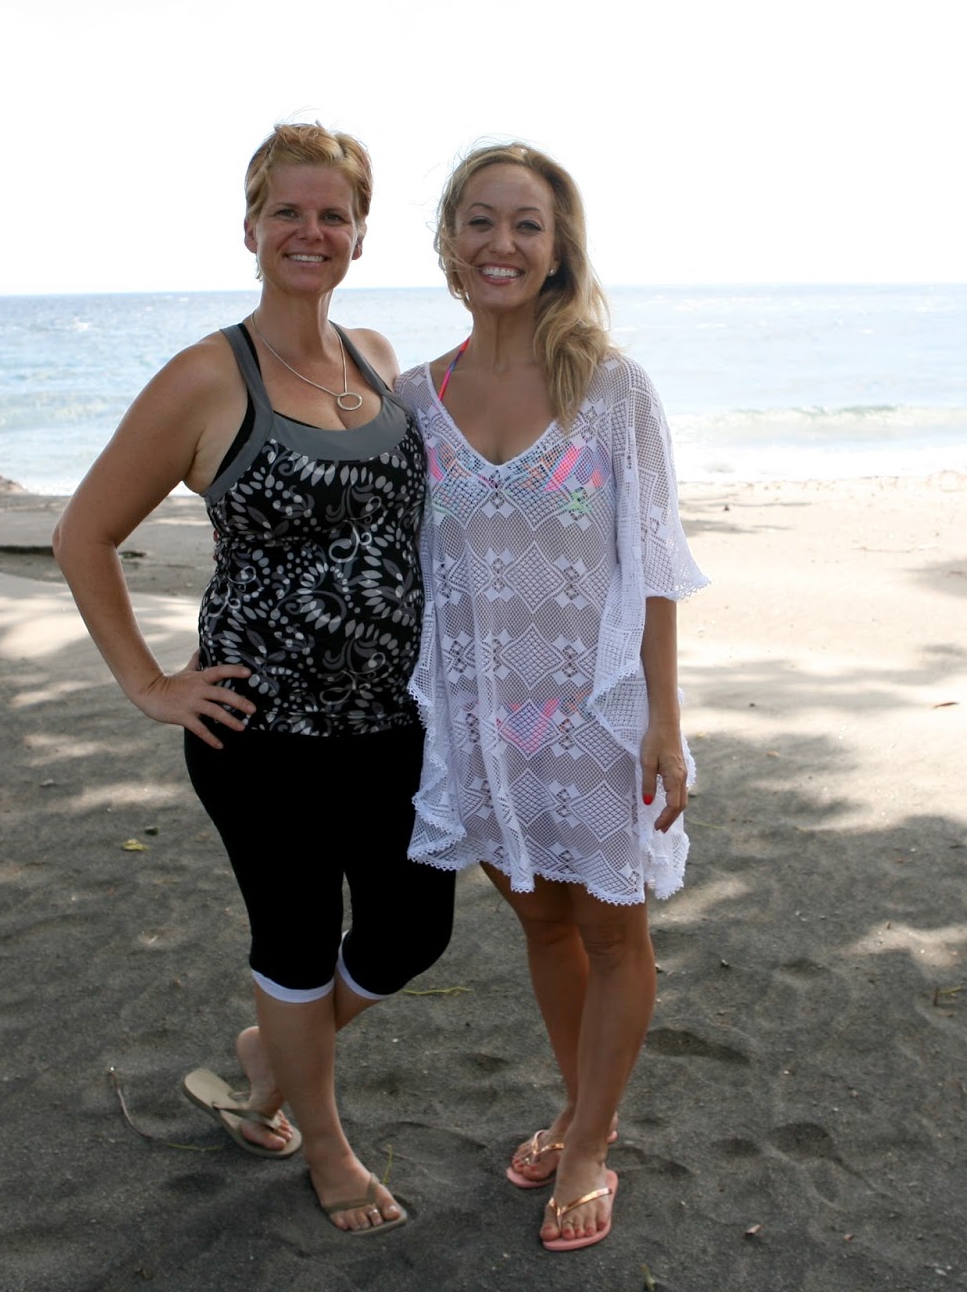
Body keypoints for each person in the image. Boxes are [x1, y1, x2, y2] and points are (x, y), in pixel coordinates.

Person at [53, 123, 454, 1237]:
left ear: (361, 234)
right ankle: (323, 1146)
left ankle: (264, 1049)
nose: (309, 231)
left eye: (332, 214)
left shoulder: (375, 355)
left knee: (414, 931)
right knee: (293, 937)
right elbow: (84, 533)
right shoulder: (202, 376)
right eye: (288, 211)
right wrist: (148, 683)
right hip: (258, 733)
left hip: (392, 723)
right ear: (251, 228)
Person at [396, 141, 708, 1253]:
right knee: (539, 913)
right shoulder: (413, 399)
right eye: (482, 221)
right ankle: (578, 1103)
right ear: (450, 239)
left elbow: (658, 563)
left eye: (528, 224)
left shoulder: (612, 389)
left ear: (559, 246)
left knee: (615, 930)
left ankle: (590, 1139)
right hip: (483, 715)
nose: (503, 244)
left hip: (596, 710)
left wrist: (663, 719)